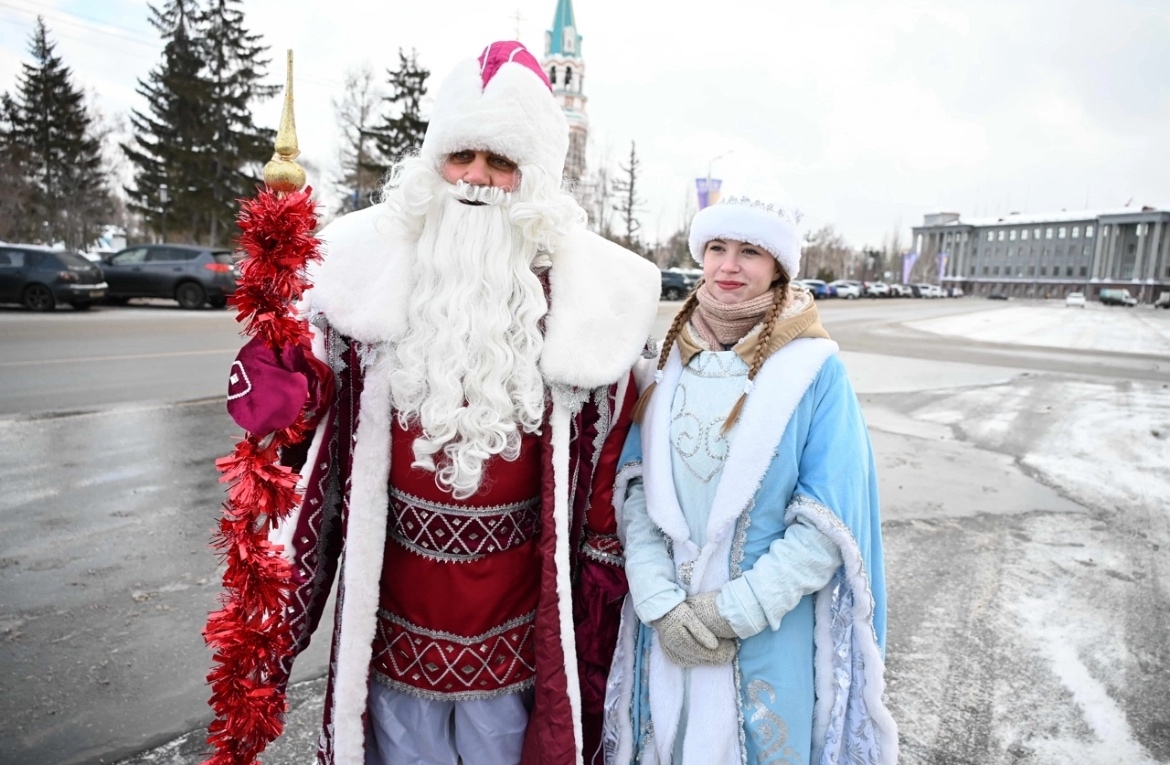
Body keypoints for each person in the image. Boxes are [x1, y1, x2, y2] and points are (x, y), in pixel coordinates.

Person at [225, 41, 661, 765]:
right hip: (394, 610)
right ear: (435, 164)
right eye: (462, 157)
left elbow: (616, 463)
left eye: (500, 162)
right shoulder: (371, 279)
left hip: (516, 625)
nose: (477, 180)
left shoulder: (590, 306)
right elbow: (306, 426)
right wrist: (277, 379)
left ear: (534, 181)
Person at [600, 187, 898, 764]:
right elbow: (635, 491)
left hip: (764, 635)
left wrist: (733, 611)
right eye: (716, 247)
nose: (728, 266)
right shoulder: (669, 361)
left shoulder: (814, 371)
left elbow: (826, 523)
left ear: (778, 267)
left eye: (749, 252)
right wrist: (659, 599)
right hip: (663, 631)